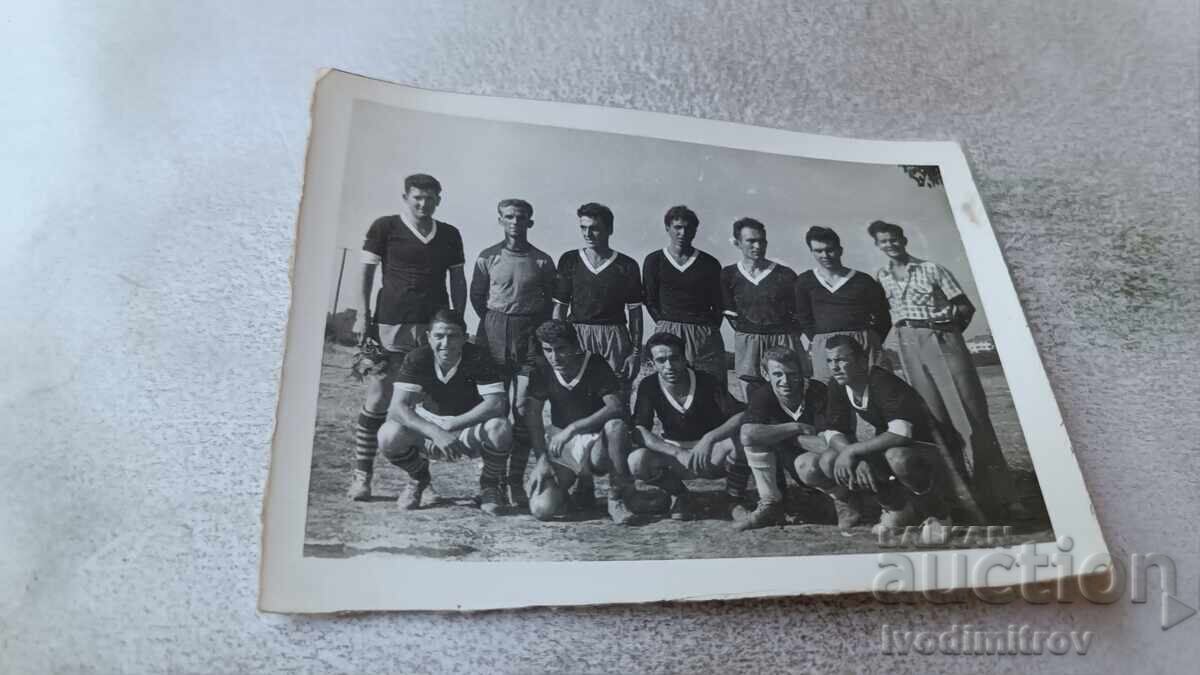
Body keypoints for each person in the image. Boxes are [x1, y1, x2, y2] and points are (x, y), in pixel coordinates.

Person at [868, 220, 1019, 521]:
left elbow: (965, 307)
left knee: (970, 416)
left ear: (904, 238)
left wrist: (948, 333)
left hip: (940, 338)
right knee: (933, 420)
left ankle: (1001, 496)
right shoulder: (880, 276)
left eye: (894, 239)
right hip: (908, 344)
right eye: (884, 242)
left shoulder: (932, 269)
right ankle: (960, 497)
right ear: (878, 246)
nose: (890, 245)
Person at [348, 174, 467, 501]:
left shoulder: (449, 234)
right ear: (405, 197)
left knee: (423, 405)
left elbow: (458, 280)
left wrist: (459, 318)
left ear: (439, 200)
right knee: (379, 397)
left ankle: (420, 480)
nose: (423, 204)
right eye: (417, 197)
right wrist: (362, 315)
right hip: (391, 322)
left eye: (430, 198)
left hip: (434, 329)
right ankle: (362, 475)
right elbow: (366, 273)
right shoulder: (384, 227)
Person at [794, 335, 951, 539]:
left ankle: (939, 515)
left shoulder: (882, 381)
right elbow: (833, 431)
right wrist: (851, 455)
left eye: (841, 360)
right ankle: (898, 509)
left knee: (898, 458)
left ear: (861, 361)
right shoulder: (838, 384)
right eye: (830, 361)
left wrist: (852, 450)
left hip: (932, 448)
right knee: (830, 459)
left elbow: (902, 432)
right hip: (894, 447)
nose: (835, 367)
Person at [376, 309, 512, 515]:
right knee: (388, 434)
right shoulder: (418, 357)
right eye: (439, 336)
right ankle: (418, 478)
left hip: (466, 426)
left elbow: (496, 404)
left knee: (500, 427)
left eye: (453, 336)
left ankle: (489, 485)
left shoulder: (478, 356)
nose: (446, 343)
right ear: (429, 338)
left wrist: (453, 425)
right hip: (429, 428)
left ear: (465, 338)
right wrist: (436, 432)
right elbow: (397, 407)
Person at [522, 320, 659, 524]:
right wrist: (541, 460)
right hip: (563, 444)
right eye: (548, 350)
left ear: (575, 346)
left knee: (616, 426)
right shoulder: (542, 368)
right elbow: (533, 417)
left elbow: (615, 407)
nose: (555, 356)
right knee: (543, 509)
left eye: (561, 349)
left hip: (597, 443)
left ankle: (617, 497)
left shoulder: (594, 362)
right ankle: (579, 490)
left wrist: (573, 427)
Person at [469, 198, 557, 510]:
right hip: (493, 334)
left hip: (528, 336)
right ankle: (490, 483)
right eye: (509, 217)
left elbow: (549, 303)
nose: (515, 223)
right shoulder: (487, 257)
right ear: (500, 220)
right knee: (495, 409)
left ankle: (515, 480)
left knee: (522, 408)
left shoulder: (543, 261)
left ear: (530, 222)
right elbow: (477, 298)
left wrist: (526, 325)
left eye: (521, 218)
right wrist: (499, 321)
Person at [627, 333, 752, 521]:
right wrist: (676, 453)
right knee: (637, 460)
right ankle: (680, 495)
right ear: (652, 363)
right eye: (661, 360)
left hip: (711, 453)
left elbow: (742, 414)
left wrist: (710, 439)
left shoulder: (706, 380)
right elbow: (639, 429)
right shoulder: (649, 385)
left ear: (685, 358)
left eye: (674, 358)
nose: (669, 366)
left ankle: (734, 500)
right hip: (676, 453)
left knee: (741, 441)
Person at [552, 203, 643, 395]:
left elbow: (635, 313)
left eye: (594, 228)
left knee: (616, 396)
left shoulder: (627, 265)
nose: (588, 234)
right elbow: (559, 309)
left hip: (614, 336)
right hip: (577, 334)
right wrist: (557, 344)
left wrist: (635, 353)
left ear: (609, 229)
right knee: (578, 397)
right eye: (583, 228)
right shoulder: (570, 260)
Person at [736, 346, 830, 531]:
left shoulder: (817, 391)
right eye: (777, 374)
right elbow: (747, 435)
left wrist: (778, 436)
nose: (785, 381)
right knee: (755, 439)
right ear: (765, 373)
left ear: (803, 373)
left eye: (792, 374)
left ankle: (842, 500)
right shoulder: (763, 393)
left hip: (818, 462)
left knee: (809, 467)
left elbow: (826, 444)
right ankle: (770, 502)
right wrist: (795, 428)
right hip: (794, 455)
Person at [641, 205, 727, 386]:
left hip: (702, 332)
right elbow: (650, 299)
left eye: (688, 228)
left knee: (710, 384)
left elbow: (718, 304)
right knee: (673, 385)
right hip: (668, 328)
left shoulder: (709, 263)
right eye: (677, 227)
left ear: (695, 231)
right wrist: (665, 323)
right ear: (667, 229)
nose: (682, 233)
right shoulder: (654, 260)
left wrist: (707, 330)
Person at [720, 218, 804, 400]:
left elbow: (800, 313)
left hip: (783, 338)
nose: (757, 246)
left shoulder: (786, 274)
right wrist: (752, 334)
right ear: (738, 243)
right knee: (752, 397)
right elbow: (732, 316)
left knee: (788, 393)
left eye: (762, 241)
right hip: (748, 341)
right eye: (751, 241)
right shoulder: (728, 274)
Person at [794, 226, 892, 382]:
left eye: (829, 250)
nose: (825, 255)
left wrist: (869, 339)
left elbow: (883, 317)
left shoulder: (863, 280)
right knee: (829, 392)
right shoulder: (805, 281)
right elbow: (803, 317)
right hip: (825, 347)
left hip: (863, 344)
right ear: (811, 252)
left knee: (878, 385)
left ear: (840, 250)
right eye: (818, 251)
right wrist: (820, 340)